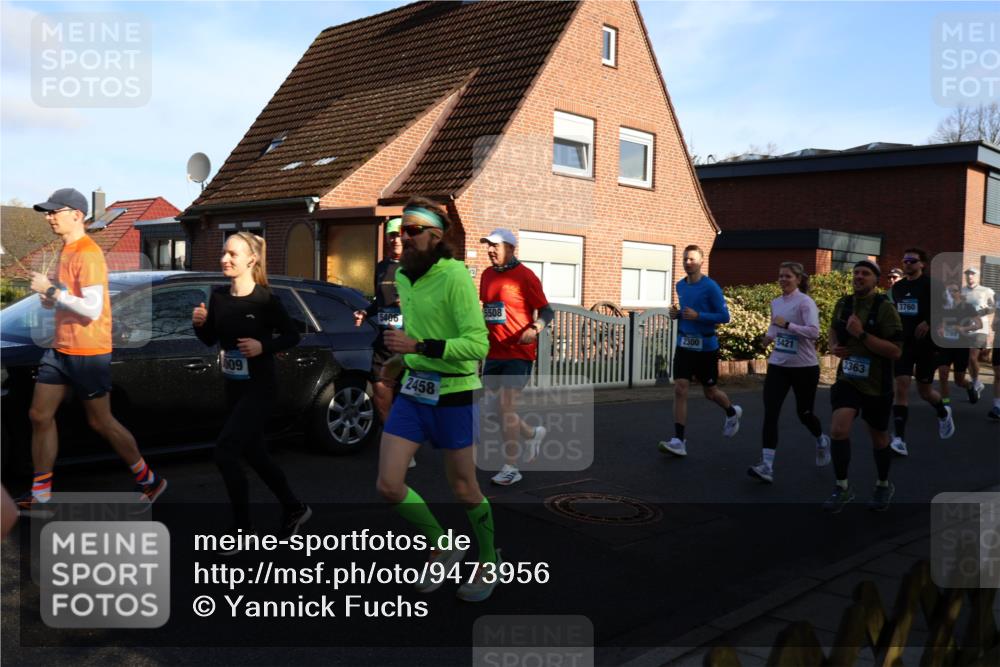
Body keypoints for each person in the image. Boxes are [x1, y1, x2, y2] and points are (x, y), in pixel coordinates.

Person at [374, 197, 499, 602]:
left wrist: (419, 346)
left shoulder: (455, 275)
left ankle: (488, 556)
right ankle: (444, 545)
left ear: (436, 236)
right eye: (399, 231)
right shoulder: (404, 278)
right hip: (413, 391)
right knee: (389, 484)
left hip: (455, 395)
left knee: (464, 489)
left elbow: (478, 344)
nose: (402, 239)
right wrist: (399, 361)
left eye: (412, 231)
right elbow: (413, 337)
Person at [16, 188, 166, 511]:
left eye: (56, 211)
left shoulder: (88, 253)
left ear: (77, 215)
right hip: (60, 349)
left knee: (101, 422)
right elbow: (70, 299)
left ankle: (150, 481)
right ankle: (41, 494)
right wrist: (49, 297)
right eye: (48, 211)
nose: (49, 216)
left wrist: (52, 291)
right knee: (39, 415)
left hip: (88, 352)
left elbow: (93, 308)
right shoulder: (65, 251)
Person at [193, 232, 311, 544]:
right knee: (256, 453)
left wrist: (263, 345)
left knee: (225, 452)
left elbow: (292, 336)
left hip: (260, 388)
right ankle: (294, 507)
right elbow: (210, 339)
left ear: (251, 260)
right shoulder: (218, 296)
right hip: (234, 387)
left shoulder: (265, 300)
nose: (225, 259)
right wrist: (199, 324)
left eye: (232, 254)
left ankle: (242, 530)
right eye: (224, 253)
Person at [823, 260, 903, 513]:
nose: (858, 277)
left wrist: (861, 334)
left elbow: (895, 351)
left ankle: (882, 484)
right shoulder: (843, 303)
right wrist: (833, 346)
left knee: (879, 437)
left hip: (877, 384)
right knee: (838, 429)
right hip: (848, 379)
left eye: (865, 274)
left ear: (875, 280)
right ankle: (842, 486)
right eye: (856, 273)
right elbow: (833, 331)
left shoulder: (885, 308)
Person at [478, 228, 553, 486]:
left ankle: (511, 466)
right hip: (494, 352)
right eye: (488, 245)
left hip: (518, 353)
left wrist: (535, 328)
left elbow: (547, 310)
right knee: (495, 410)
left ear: (510, 248)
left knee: (506, 408)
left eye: (495, 246)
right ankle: (532, 433)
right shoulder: (487, 275)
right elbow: (488, 310)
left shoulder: (525, 276)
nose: (490, 250)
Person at [748, 262, 830, 483]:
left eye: (788, 276)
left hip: (804, 367)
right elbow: (775, 327)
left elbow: (814, 332)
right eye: (780, 276)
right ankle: (766, 465)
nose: (783, 279)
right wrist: (767, 339)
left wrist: (789, 326)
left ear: (799, 279)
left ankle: (821, 439)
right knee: (771, 412)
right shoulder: (776, 302)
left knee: (804, 414)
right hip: (778, 365)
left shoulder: (805, 302)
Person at [658, 245, 742, 457]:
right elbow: (685, 313)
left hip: (706, 347)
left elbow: (724, 317)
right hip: (684, 344)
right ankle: (679, 440)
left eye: (692, 259)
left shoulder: (711, 287)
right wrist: (676, 314)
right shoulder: (680, 286)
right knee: (680, 388)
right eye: (685, 259)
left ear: (701, 262)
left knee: (710, 392)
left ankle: (731, 412)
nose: (688, 263)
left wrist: (699, 316)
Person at [353, 218, 416, 468]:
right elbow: (380, 300)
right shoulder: (381, 267)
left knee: (406, 396)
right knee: (380, 390)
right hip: (384, 339)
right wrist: (366, 312)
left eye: (399, 235)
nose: (395, 240)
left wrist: (409, 301)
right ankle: (394, 442)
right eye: (391, 235)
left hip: (408, 340)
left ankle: (407, 445)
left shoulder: (414, 267)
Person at [889, 248, 953, 458]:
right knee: (902, 386)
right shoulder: (897, 287)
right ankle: (899, 439)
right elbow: (893, 311)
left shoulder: (932, 285)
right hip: (904, 345)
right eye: (905, 260)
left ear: (922, 264)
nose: (907, 264)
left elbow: (948, 308)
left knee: (925, 391)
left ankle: (943, 413)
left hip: (927, 345)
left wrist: (929, 321)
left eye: (912, 261)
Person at [935, 284, 982, 406]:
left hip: (961, 345)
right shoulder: (944, 308)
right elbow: (940, 324)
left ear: (959, 293)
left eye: (954, 291)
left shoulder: (968, 307)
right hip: (945, 344)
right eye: (948, 291)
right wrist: (940, 329)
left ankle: (970, 386)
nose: (951, 293)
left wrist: (964, 328)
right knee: (943, 373)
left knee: (959, 380)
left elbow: (979, 324)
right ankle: (945, 403)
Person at [961, 267, 995, 404]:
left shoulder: (986, 291)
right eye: (968, 274)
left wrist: (983, 312)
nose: (970, 277)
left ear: (978, 276)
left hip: (981, 328)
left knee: (972, 356)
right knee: (968, 359)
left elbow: (995, 306)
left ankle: (975, 382)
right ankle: (977, 382)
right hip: (966, 328)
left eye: (972, 274)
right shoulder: (962, 291)